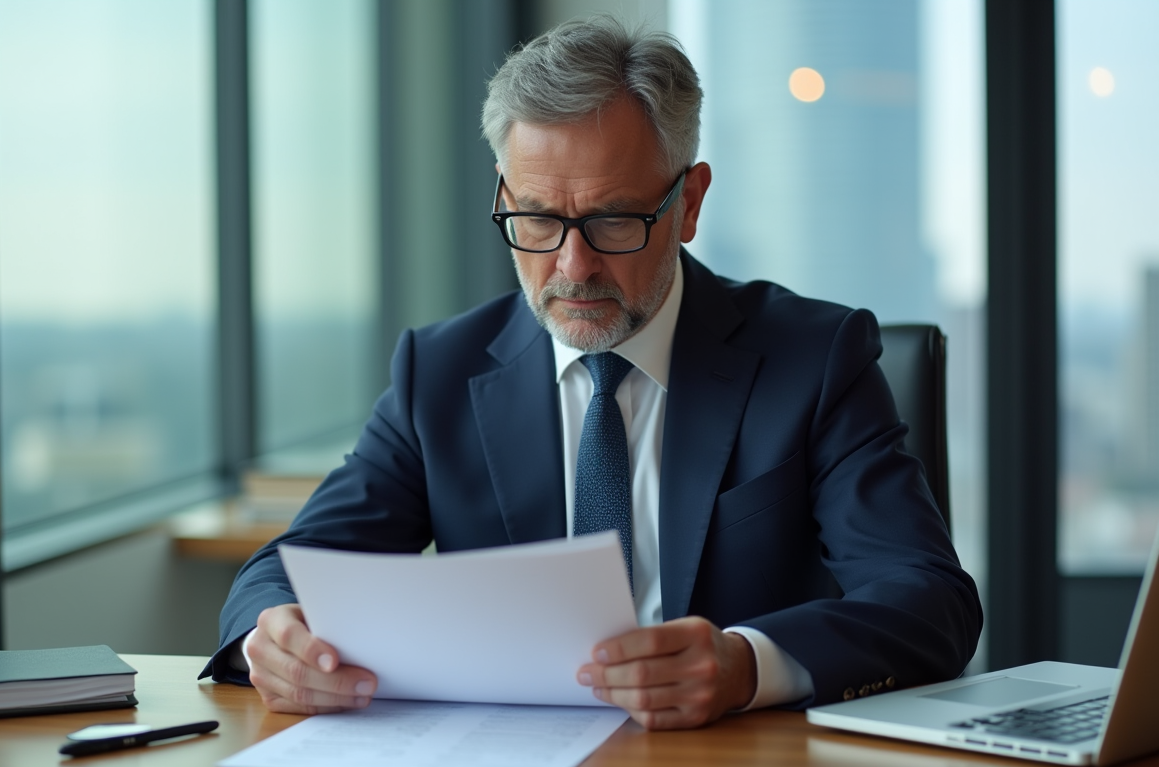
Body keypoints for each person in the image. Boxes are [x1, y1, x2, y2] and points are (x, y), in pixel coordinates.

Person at [200, 16, 981, 731]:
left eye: (613, 219)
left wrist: (747, 664)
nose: (572, 268)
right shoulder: (438, 372)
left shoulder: (814, 358)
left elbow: (929, 602)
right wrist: (271, 636)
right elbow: (285, 570)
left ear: (689, 202)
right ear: (503, 196)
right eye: (537, 217)